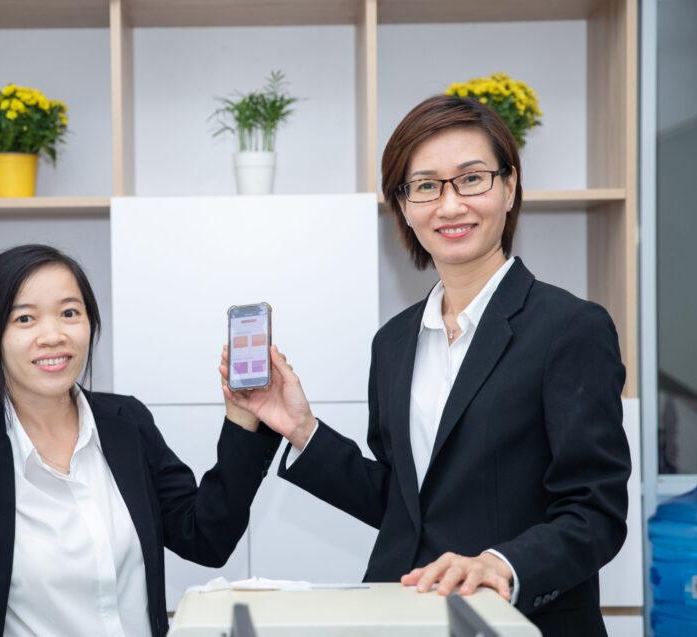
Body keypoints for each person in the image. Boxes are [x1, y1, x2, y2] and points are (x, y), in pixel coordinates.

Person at [222, 94, 631, 636]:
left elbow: (595, 510)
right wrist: (301, 429)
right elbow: (405, 504)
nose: (450, 204)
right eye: (426, 186)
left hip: (521, 622)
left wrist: (501, 565)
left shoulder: (570, 327)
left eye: (472, 179)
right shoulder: (393, 342)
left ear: (509, 188)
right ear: (405, 207)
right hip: (406, 615)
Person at [0, 244, 279, 637]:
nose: (53, 335)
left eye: (69, 313)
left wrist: (242, 419)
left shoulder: (127, 423)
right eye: (25, 318)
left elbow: (205, 538)